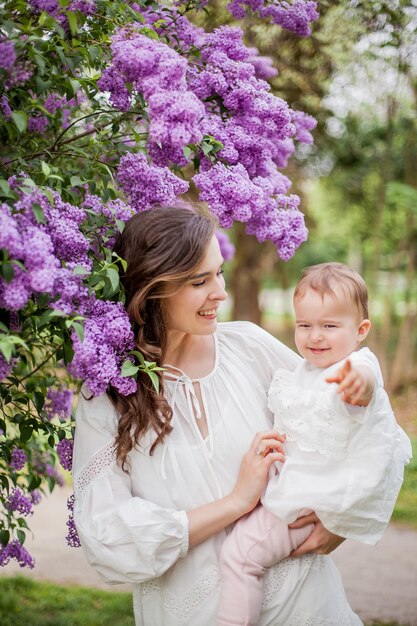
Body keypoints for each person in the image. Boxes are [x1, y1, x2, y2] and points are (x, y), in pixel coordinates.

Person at [73, 207, 373, 626]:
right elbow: (109, 537)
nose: (220, 293)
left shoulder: (250, 347)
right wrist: (236, 501)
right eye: (200, 281)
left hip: (307, 608)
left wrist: (342, 518)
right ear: (152, 288)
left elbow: (360, 422)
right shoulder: (107, 397)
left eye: (219, 273)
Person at [217, 263, 412, 626]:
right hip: (295, 491)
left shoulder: (355, 367)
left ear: (361, 331)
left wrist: (360, 385)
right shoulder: (304, 370)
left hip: (304, 504)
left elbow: (368, 382)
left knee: (240, 556)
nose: (315, 336)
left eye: (329, 326)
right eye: (304, 325)